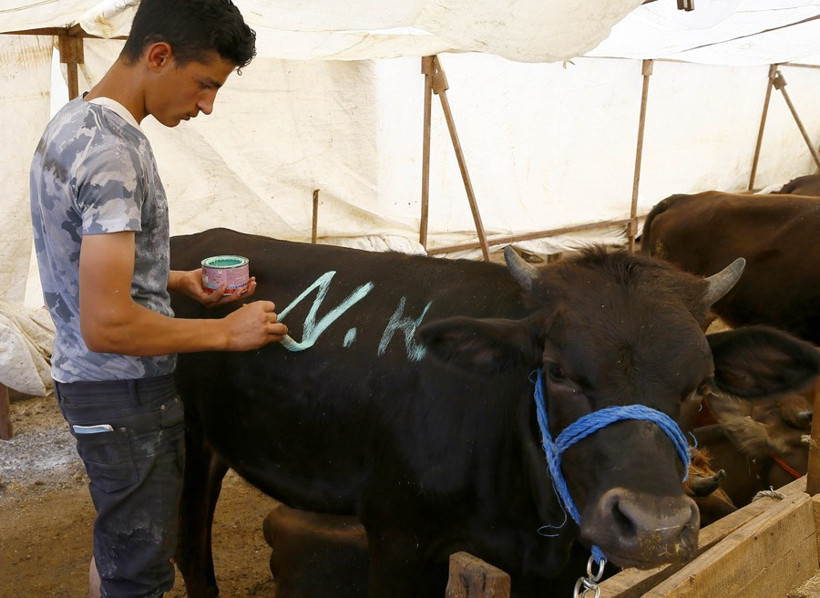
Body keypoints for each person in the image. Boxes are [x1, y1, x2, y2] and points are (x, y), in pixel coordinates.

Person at [28, 1, 288, 596]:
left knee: (120, 549)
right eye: (205, 84)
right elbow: (108, 325)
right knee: (140, 575)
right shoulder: (113, 154)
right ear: (159, 55)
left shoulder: (74, 122)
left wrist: (174, 279)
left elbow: (77, 259)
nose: (207, 105)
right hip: (125, 395)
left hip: (90, 386)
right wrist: (228, 333)